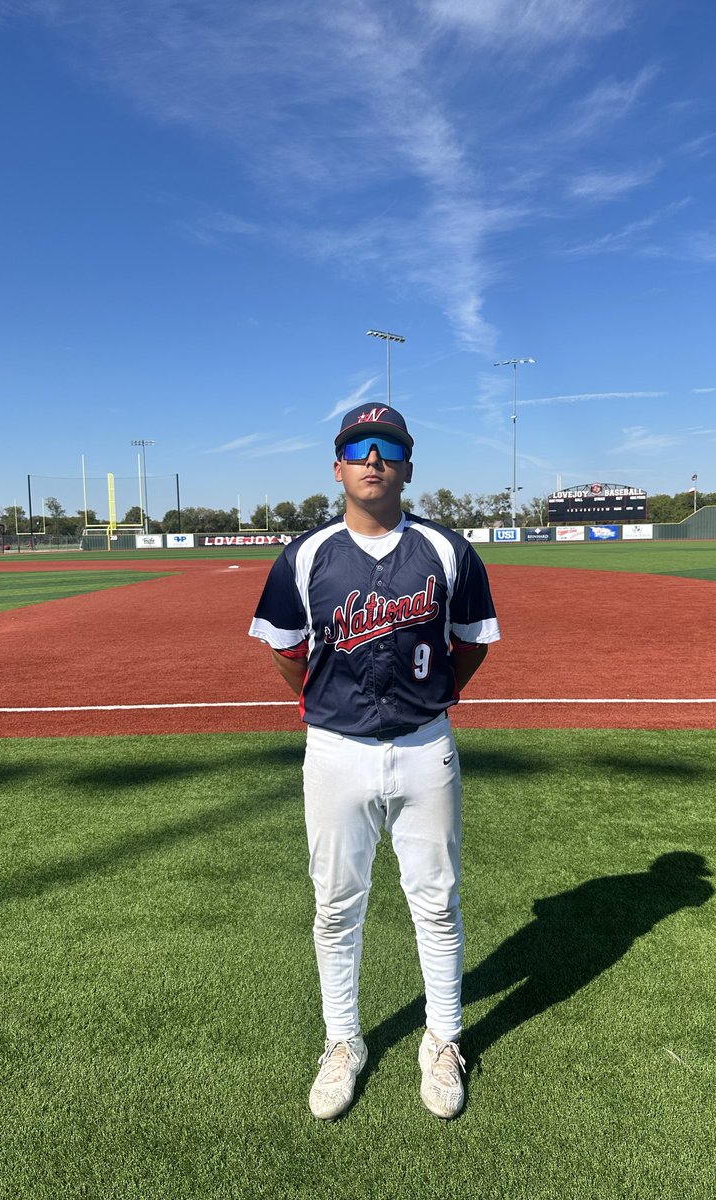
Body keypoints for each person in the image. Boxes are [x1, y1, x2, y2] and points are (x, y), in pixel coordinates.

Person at [248, 402, 500, 1120]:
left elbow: (471, 645)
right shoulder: (305, 555)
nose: (372, 458)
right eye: (358, 447)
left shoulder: (448, 551)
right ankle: (342, 1042)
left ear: (407, 466)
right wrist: (332, 710)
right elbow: (287, 654)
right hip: (334, 752)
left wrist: (430, 700)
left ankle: (444, 1039)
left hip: (426, 749)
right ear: (338, 466)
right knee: (335, 907)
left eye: (387, 447)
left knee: (438, 903)